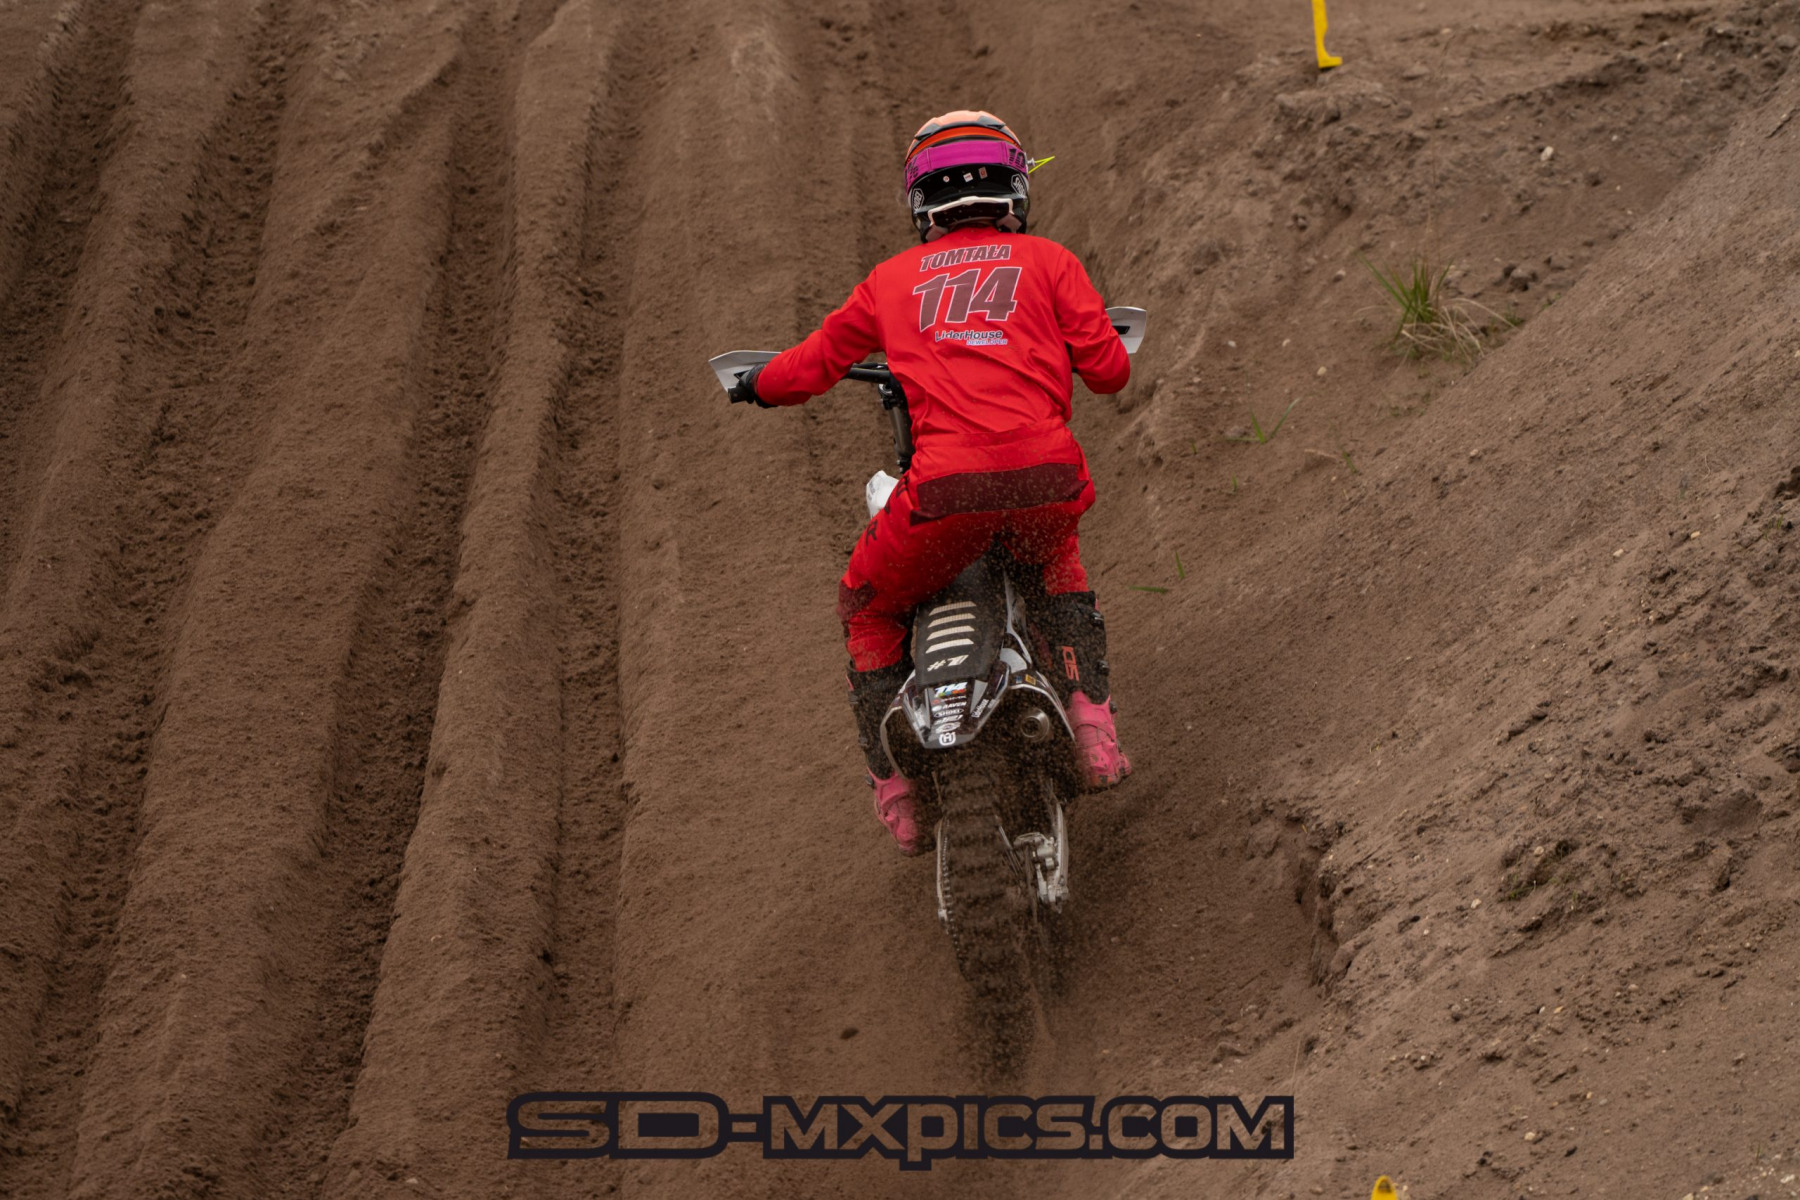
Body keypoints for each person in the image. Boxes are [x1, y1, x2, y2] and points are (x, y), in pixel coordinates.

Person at [727, 110, 1131, 854]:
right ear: (1015, 187)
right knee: (1056, 561)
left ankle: (899, 794)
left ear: (921, 201)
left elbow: (810, 366)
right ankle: (1094, 734)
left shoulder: (889, 281)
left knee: (865, 607)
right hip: (1049, 478)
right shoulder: (1052, 261)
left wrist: (756, 384)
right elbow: (1109, 372)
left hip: (945, 491)